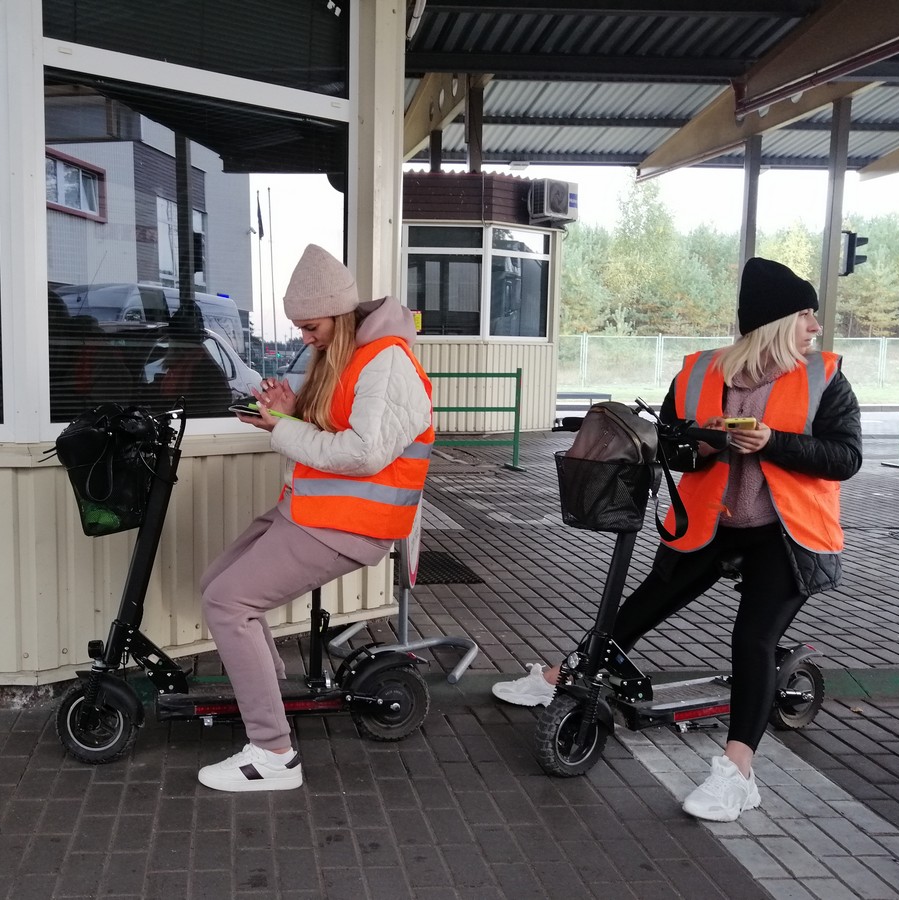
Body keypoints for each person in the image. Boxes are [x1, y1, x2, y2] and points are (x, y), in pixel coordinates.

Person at [493, 256, 862, 822]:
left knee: (753, 640)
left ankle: (738, 773)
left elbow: (846, 457)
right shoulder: (698, 372)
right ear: (775, 323)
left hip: (788, 535)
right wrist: (704, 445)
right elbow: (669, 446)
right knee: (640, 607)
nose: (815, 326)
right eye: (806, 315)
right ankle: (559, 678)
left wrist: (773, 442)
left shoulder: (825, 377)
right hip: (709, 522)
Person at [196, 244, 434, 792]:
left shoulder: (387, 360)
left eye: (310, 326)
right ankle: (266, 691)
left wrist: (283, 427)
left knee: (229, 603)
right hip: (313, 512)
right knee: (216, 586)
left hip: (349, 525)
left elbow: (362, 452)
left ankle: (273, 754)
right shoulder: (350, 356)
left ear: (339, 315)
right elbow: (331, 429)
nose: (305, 337)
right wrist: (288, 411)